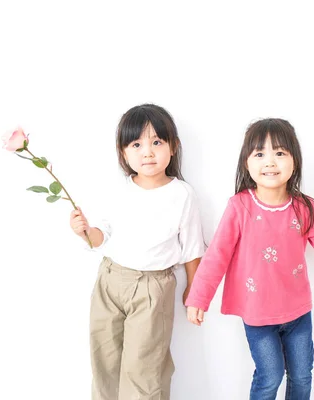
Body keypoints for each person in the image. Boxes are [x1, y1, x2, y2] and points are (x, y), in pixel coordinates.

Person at [185, 118, 314, 399]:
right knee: (269, 377)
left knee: (301, 376)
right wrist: (199, 298)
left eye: (280, 153)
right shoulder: (240, 207)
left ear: (294, 162)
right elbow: (216, 257)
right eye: (260, 154)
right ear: (246, 164)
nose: (270, 162)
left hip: (298, 313)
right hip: (258, 315)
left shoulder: (304, 208)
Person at [70, 104, 205, 400]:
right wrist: (84, 231)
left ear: (173, 147)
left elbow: (193, 248)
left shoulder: (181, 194)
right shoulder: (120, 189)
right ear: (124, 153)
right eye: (137, 144)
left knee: (145, 369)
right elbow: (101, 234)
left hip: (152, 288)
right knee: (104, 360)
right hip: (109, 279)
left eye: (157, 142)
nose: (147, 152)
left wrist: (195, 292)